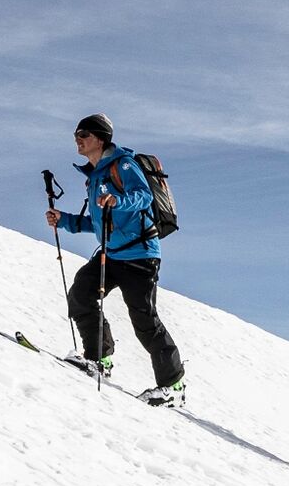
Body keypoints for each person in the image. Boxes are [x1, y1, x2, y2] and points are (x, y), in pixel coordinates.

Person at [46, 113, 186, 405]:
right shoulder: (95, 176)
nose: (77, 139)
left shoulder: (123, 164)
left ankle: (173, 386)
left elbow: (143, 196)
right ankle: (99, 360)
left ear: (100, 138)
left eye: (83, 134)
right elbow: (99, 223)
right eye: (76, 135)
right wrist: (64, 220)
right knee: (81, 294)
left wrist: (118, 200)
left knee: (144, 320)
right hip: (111, 254)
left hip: (140, 256)